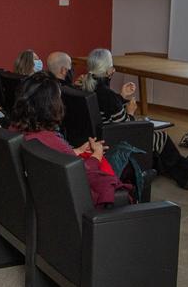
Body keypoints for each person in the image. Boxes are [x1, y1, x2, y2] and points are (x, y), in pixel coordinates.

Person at [82, 48, 188, 189]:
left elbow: (108, 111)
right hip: (113, 144)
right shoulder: (108, 96)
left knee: (153, 134)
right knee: (160, 136)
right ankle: (184, 172)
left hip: (95, 140)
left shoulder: (84, 87)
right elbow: (125, 127)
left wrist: (121, 97)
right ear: (109, 71)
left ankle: (178, 170)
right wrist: (130, 112)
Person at [10, 74, 130, 208]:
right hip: (72, 205)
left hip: (38, 197)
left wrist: (77, 151)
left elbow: (52, 158)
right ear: (51, 105)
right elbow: (80, 174)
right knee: (125, 157)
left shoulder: (14, 129)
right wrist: (96, 155)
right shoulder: (50, 139)